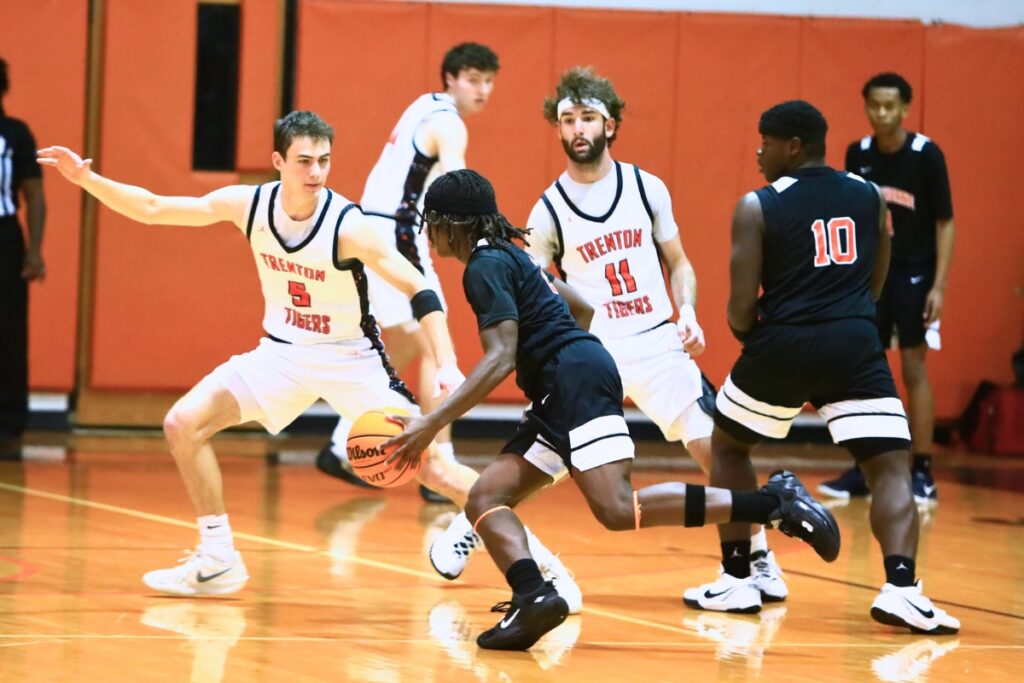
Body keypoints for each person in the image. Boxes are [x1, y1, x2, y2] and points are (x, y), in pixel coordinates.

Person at [36, 111, 574, 604]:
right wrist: (87, 180)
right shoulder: (250, 205)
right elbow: (155, 208)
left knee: (435, 469)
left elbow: (420, 287)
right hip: (281, 355)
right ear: (278, 161)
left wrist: (447, 360)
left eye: (324, 160)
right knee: (182, 423)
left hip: (351, 359)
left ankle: (543, 568)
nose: (316, 172)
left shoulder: (348, 224)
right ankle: (217, 560)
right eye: (304, 161)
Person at [384, 168, 841, 650]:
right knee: (484, 497)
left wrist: (430, 424)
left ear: (452, 223)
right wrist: (558, 367)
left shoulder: (483, 266)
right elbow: (579, 306)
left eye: (431, 222)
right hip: (567, 382)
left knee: (618, 508)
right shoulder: (510, 254)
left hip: (571, 382)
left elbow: (500, 357)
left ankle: (774, 504)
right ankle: (533, 597)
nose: (428, 233)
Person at [430, 66, 787, 611]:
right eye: (568, 119)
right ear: (557, 128)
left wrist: (688, 310)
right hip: (592, 349)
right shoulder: (548, 209)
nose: (578, 128)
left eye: (588, 118)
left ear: (610, 124)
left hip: (654, 340)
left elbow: (679, 263)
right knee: (547, 453)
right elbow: (535, 288)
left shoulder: (646, 187)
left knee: (716, 450)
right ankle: (472, 522)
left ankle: (753, 559)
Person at [686, 100, 958, 634]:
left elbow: (740, 308)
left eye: (765, 142)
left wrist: (758, 340)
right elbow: (876, 279)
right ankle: (903, 589)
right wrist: (846, 319)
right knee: (889, 466)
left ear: (792, 146)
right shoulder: (868, 193)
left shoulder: (757, 204)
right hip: (853, 343)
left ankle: (737, 579)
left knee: (729, 447)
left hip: (782, 342)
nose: (758, 152)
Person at [316, 43, 499, 503]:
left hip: (368, 227)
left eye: (488, 80)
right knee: (437, 347)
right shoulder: (449, 124)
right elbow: (460, 186)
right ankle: (443, 461)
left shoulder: (422, 105)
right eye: (473, 78)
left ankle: (339, 444)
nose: (481, 89)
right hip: (397, 233)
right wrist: (488, 240)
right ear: (451, 78)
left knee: (400, 344)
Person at [820, 73, 954, 506]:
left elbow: (945, 223)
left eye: (890, 106)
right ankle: (866, 468)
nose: (881, 113)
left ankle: (922, 472)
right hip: (871, 277)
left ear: (905, 108)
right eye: (874, 105)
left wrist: (939, 285)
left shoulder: (926, 155)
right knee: (865, 370)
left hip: (916, 274)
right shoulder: (857, 153)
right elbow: (852, 219)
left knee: (913, 367)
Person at [0, 57, 47, 458]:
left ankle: (9, 423)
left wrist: (33, 251)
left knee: (9, 332)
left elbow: (34, 194)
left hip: (4, 239)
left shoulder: (15, 134)